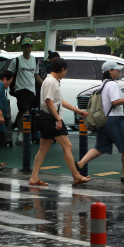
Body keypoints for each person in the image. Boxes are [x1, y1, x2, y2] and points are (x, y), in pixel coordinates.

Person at [29, 57, 92, 187]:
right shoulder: (51, 82)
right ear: (62, 69)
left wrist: (77, 110)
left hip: (48, 118)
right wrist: (58, 119)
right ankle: (76, 176)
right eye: (65, 71)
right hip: (51, 119)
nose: (65, 73)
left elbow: (59, 101)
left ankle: (34, 177)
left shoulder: (52, 81)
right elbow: (49, 101)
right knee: (67, 146)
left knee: (43, 149)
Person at [75, 61, 124, 182]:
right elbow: (115, 102)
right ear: (110, 71)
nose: (119, 71)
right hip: (114, 119)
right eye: (116, 69)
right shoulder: (112, 84)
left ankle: (80, 164)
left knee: (100, 147)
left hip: (104, 119)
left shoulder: (103, 84)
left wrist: (123, 113)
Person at [9, 38, 42, 143]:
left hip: (31, 90)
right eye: (25, 46)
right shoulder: (16, 60)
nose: (27, 48)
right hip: (20, 89)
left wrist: (45, 83)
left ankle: (19, 134)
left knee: (23, 112)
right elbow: (9, 74)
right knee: (26, 112)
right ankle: (24, 137)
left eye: (29, 46)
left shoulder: (35, 60)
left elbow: (36, 75)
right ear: (22, 48)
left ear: (32, 48)